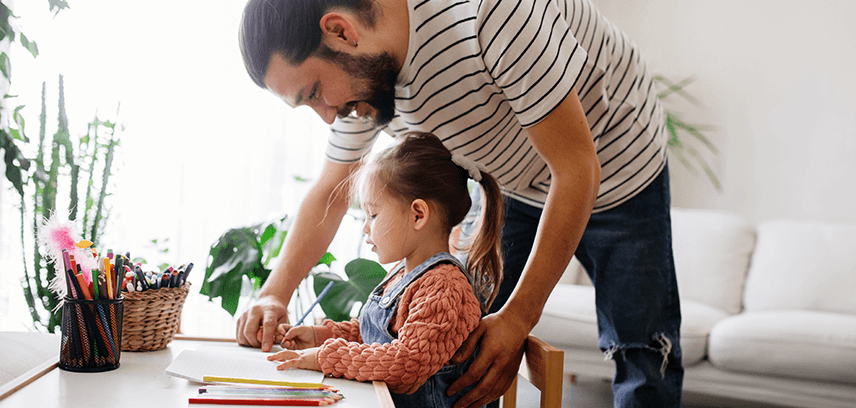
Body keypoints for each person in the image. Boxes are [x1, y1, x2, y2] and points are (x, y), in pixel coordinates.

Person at [236, 0, 684, 407]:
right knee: (465, 347)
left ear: (341, 31)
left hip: (617, 163)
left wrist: (518, 318)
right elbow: (331, 195)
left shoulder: (492, 13)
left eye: (313, 91)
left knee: (642, 352)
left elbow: (575, 168)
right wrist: (275, 292)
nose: (328, 114)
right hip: (512, 183)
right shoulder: (363, 78)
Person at [267, 131, 504, 407]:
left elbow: (405, 365)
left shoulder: (445, 288)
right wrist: (320, 336)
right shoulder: (405, 273)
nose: (366, 227)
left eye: (374, 214)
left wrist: (325, 358)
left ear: (418, 215)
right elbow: (378, 336)